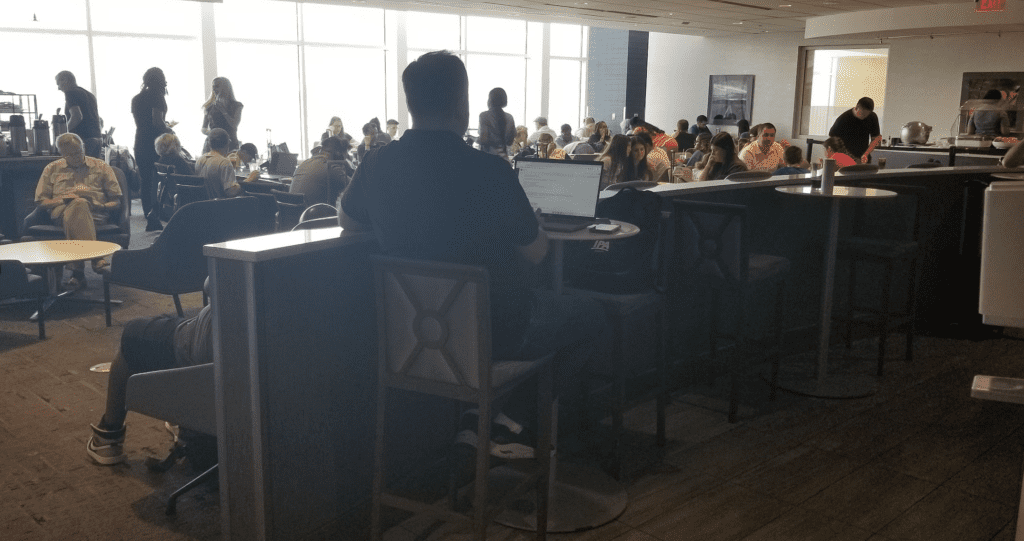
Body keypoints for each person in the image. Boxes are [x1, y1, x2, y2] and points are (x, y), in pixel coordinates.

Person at [340, 51, 607, 457]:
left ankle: (482, 419)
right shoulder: (491, 171)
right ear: (462, 103)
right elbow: (536, 253)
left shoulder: (376, 163)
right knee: (590, 315)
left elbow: (346, 217)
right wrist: (525, 222)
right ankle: (509, 421)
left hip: (409, 341)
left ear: (411, 102)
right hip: (495, 335)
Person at [86, 302, 213, 465]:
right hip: (230, 375)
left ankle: (108, 435)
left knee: (131, 335)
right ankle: (185, 423)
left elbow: (210, 286)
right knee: (169, 322)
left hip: (200, 344)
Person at [34, 133, 122, 290]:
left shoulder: (101, 166)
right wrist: (64, 200)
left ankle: (78, 273)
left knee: (80, 206)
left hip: (96, 213)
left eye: (79, 151)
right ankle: (96, 257)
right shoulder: (51, 169)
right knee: (78, 203)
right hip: (61, 212)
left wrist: (100, 206)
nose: (76, 156)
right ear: (62, 153)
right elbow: (41, 202)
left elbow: (116, 201)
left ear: (84, 147)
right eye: (71, 154)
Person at [131, 67, 174, 232]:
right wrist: (169, 129)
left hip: (140, 140)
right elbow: (157, 121)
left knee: (145, 181)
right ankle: (156, 215)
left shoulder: (136, 98)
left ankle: (148, 214)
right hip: (154, 144)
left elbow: (143, 121)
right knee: (158, 180)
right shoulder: (157, 97)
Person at [288, 136, 352, 207]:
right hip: (315, 216)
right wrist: (349, 168)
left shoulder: (305, 163)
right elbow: (356, 187)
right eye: (346, 153)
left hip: (294, 215)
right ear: (338, 153)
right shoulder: (331, 167)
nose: (347, 156)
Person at [195, 128, 257, 197]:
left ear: (209, 143)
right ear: (227, 143)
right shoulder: (224, 163)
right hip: (220, 205)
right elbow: (231, 191)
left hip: (203, 204)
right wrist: (249, 179)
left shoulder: (200, 160)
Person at [56, 71, 103, 159]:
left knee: (80, 171)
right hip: (97, 138)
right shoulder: (89, 94)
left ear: (65, 80)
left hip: (84, 140)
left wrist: (62, 134)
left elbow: (77, 116)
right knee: (93, 171)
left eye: (58, 84)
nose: (58, 88)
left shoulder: (70, 93)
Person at [828, 96, 882, 164]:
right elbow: (832, 139)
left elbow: (875, 138)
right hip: (845, 160)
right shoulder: (843, 119)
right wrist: (850, 158)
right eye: (862, 114)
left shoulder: (872, 117)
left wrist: (866, 153)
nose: (864, 117)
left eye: (866, 115)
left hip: (864, 159)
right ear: (857, 107)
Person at [201, 77, 243, 152]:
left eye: (217, 86)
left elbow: (234, 125)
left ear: (225, 88)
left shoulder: (236, 106)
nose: (214, 89)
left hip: (230, 144)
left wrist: (223, 111)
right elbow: (203, 128)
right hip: (212, 145)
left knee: (230, 163)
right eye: (213, 87)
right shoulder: (209, 106)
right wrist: (213, 133)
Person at [477, 87, 516, 160]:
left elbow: (484, 139)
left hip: (487, 160)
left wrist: (473, 139)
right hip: (503, 160)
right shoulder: (509, 117)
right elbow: (509, 142)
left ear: (490, 100)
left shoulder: (484, 116)